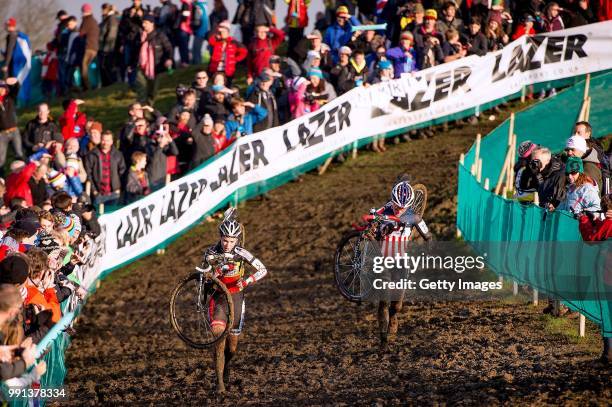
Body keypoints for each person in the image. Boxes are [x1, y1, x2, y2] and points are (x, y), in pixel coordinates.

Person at [199, 209, 267, 393]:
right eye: (224, 240)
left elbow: (263, 270)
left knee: (232, 346)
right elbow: (203, 277)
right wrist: (210, 275)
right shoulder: (211, 252)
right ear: (220, 237)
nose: (228, 244)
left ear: (237, 240)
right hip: (218, 297)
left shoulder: (241, 252)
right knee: (218, 337)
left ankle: (226, 366)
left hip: (236, 296)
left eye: (231, 241)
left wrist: (246, 281)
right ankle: (219, 382)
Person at [372, 180, 432, 350]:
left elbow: (428, 236)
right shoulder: (381, 212)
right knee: (383, 301)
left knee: (396, 304)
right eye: (396, 206)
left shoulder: (413, 216)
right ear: (392, 200)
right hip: (382, 261)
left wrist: (428, 250)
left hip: (401, 262)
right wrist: (375, 232)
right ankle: (383, 340)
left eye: (403, 208)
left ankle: (394, 315)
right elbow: (368, 233)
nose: (399, 210)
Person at [134, 15, 173, 106]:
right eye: (143, 23)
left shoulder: (160, 35)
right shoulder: (140, 36)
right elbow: (135, 51)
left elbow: (168, 48)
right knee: (141, 88)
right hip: (141, 67)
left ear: (152, 24)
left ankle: (149, 109)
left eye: (146, 23)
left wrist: (169, 59)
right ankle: (141, 109)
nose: (144, 25)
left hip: (156, 67)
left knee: (152, 91)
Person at [84, 130, 126, 206]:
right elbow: (88, 174)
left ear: (112, 141)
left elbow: (122, 172)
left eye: (108, 140)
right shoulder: (92, 154)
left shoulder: (118, 155)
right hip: (99, 194)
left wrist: (119, 189)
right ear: (100, 140)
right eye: (103, 140)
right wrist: (94, 191)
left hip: (115, 193)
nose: (105, 142)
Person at [208, 21, 248, 86]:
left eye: (223, 32)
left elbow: (244, 51)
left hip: (228, 70)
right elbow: (209, 38)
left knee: (228, 86)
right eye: (220, 32)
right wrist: (216, 32)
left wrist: (235, 59)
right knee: (216, 86)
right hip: (215, 69)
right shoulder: (216, 41)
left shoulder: (233, 42)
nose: (221, 34)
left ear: (228, 32)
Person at [0, 77, 24, 175]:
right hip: (2, 134)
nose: (1, 90)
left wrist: (15, 82)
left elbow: (16, 89)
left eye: (2, 88)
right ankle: (1, 179)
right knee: (1, 159)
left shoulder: (9, 98)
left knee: (19, 154)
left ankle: (23, 174)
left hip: (14, 131)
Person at [79, 4, 100, 91]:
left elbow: (81, 33)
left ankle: (86, 87)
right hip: (95, 47)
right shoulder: (94, 21)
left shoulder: (87, 20)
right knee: (92, 68)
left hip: (88, 47)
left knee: (84, 66)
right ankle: (93, 85)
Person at [99, 3, 120, 87]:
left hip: (109, 48)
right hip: (104, 47)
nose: (101, 11)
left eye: (103, 9)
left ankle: (111, 84)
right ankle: (106, 84)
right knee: (104, 67)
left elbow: (111, 35)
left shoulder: (112, 19)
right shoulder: (106, 19)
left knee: (109, 67)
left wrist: (106, 48)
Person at [191, 0, 210, 65]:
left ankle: (197, 65)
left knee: (196, 50)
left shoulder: (198, 6)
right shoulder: (205, 5)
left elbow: (197, 20)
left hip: (200, 31)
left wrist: (193, 28)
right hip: (205, 30)